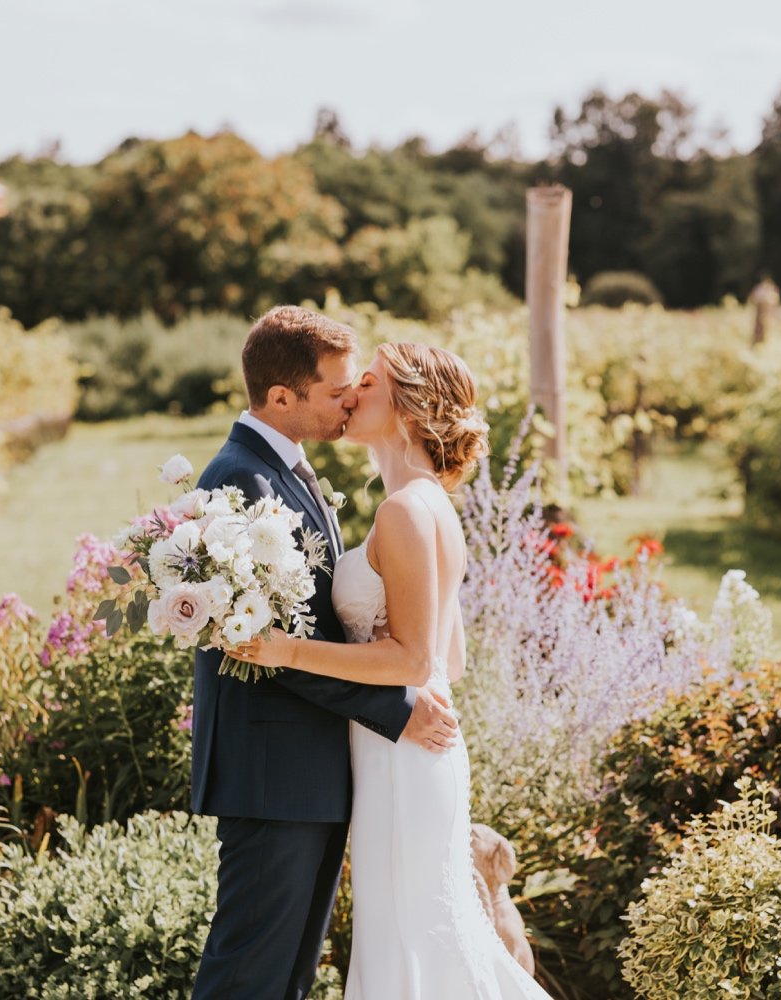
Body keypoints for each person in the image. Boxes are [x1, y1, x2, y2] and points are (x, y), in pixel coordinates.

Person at [232, 339, 552, 998]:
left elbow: (416, 658)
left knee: (413, 940)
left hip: (405, 755)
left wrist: (286, 649)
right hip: (409, 750)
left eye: (368, 382)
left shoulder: (404, 510)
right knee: (421, 933)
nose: (351, 394)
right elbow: (449, 658)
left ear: (408, 406)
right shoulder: (429, 502)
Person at [189, 306, 460, 1000]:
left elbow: (317, 637)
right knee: (248, 972)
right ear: (282, 397)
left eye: (358, 385)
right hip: (272, 771)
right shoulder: (239, 483)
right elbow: (268, 647)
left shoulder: (299, 474)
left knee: (288, 977)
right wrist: (395, 709)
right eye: (339, 388)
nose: (350, 398)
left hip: (317, 769)